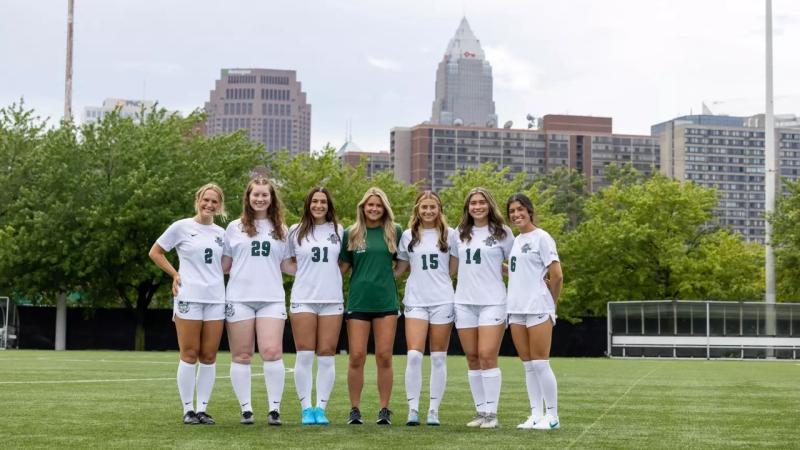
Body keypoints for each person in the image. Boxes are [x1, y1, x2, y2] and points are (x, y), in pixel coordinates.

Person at [149, 183, 227, 425]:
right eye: (206, 200)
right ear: (198, 200)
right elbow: (156, 252)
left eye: (214, 201)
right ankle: (188, 409)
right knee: (189, 353)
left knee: (209, 355)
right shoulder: (181, 227)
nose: (209, 205)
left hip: (215, 298)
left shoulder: (222, 233)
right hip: (188, 297)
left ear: (220, 205)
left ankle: (203, 409)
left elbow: (227, 264)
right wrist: (175, 274)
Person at [221, 177, 294, 426]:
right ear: (248, 197)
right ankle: (246, 409)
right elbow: (224, 265)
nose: (260, 199)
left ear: (272, 198)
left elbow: (286, 265)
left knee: (272, 352)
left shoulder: (282, 229)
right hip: (239, 298)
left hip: (271, 298)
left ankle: (274, 409)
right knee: (241, 355)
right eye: (256, 195)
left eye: (265, 195)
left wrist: (320, 269)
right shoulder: (233, 227)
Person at [394, 191, 458, 426]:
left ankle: (433, 410)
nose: (429, 211)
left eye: (433, 207)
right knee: (413, 355)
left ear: (439, 209)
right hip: (416, 300)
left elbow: (452, 268)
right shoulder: (408, 236)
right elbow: (401, 268)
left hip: (442, 299)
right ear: (417, 210)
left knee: (439, 357)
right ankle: (413, 409)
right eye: (424, 207)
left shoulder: (450, 235)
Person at [339, 187, 402, 426]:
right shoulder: (351, 233)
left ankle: (384, 410)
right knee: (356, 356)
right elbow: (342, 269)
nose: (374, 209)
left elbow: (402, 264)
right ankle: (354, 409)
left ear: (384, 208)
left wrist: (388, 278)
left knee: (384, 356)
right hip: (358, 302)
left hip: (386, 303)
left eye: (378, 205)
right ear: (363, 207)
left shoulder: (394, 231)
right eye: (370, 205)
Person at [453, 187, 514, 429]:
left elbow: (512, 264)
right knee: (472, 357)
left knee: (488, 356)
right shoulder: (458, 233)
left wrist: (531, 277)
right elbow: (454, 266)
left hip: (493, 301)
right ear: (467, 207)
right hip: (464, 302)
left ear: (489, 205)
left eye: (482, 202)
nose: (477, 206)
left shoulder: (503, 233)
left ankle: (492, 414)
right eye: (473, 203)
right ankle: (480, 412)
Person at [506, 193, 563, 430]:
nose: (516, 214)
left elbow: (557, 275)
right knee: (528, 364)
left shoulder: (542, 237)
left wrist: (552, 302)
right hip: (516, 308)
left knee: (541, 363)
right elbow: (517, 271)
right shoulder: (515, 240)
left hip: (538, 307)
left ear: (529, 211)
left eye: (520, 209)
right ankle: (535, 415)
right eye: (512, 211)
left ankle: (552, 417)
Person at [287, 187, 344, 426]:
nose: (319, 205)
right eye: (314, 201)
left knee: (327, 355)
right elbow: (287, 261)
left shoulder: (339, 230)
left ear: (328, 205)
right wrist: (305, 277)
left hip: (332, 299)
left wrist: (329, 277)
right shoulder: (295, 230)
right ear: (308, 204)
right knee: (305, 354)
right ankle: (305, 408)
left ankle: (320, 408)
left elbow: (343, 263)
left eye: (323, 201)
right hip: (303, 298)